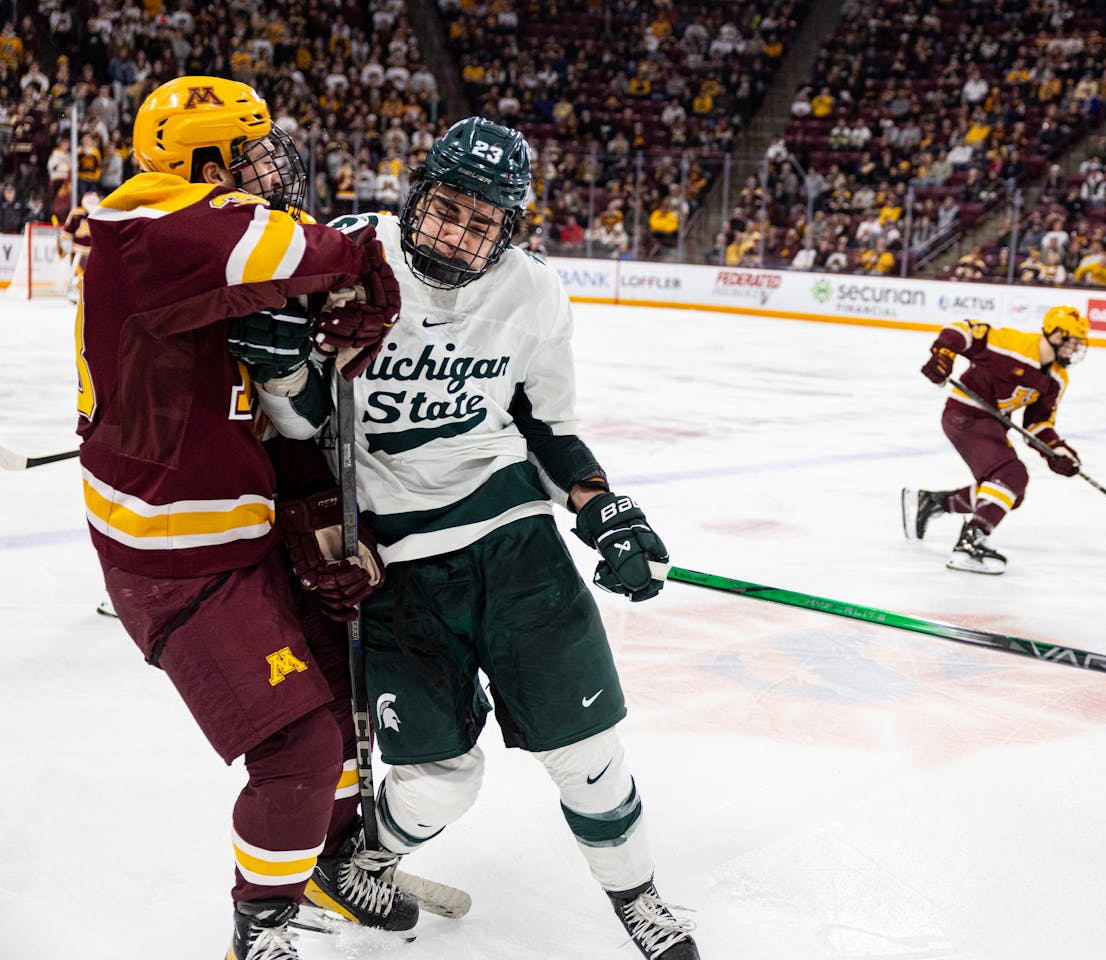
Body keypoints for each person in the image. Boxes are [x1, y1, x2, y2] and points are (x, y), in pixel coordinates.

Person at [252, 117, 700, 960]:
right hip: (390, 564)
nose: (458, 234)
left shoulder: (531, 293)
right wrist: (284, 365)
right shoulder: (347, 254)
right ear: (416, 195)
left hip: (511, 538)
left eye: (482, 222)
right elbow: (300, 416)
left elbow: (548, 426)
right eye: (446, 210)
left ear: (510, 229)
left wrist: (602, 505)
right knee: (439, 781)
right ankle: (361, 864)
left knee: (590, 754)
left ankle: (639, 901)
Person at [76, 75, 421, 960]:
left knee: (341, 713)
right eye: (252, 152)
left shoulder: (204, 247)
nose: (274, 167)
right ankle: (259, 926)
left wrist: (324, 519)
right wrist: (361, 264)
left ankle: (328, 862)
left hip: (242, 526)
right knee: (299, 750)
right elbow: (292, 246)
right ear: (201, 162)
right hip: (175, 556)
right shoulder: (149, 229)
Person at [900, 305, 1089, 574]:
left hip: (992, 424)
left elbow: (1037, 423)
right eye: (1073, 342)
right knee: (1011, 475)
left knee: (1012, 492)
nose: (1076, 349)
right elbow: (963, 329)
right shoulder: (1014, 345)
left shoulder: (1058, 377)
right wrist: (943, 353)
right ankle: (971, 543)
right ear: (1056, 335)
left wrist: (1056, 451)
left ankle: (931, 503)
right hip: (964, 415)